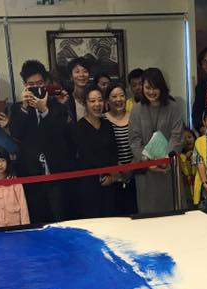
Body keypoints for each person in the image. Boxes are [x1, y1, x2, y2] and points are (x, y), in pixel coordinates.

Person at [9, 59, 71, 225]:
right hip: (30, 173)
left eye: (40, 83)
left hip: (56, 172)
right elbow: (16, 134)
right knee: (36, 219)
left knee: (59, 218)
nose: (36, 87)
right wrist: (24, 106)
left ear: (46, 82)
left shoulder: (57, 106)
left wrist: (44, 110)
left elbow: (59, 133)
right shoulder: (17, 108)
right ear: (24, 85)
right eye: (31, 85)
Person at [129, 68, 184, 214]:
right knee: (148, 214)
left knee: (172, 213)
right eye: (148, 87)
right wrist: (148, 161)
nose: (151, 92)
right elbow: (134, 141)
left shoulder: (173, 107)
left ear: (162, 87)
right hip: (146, 171)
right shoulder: (136, 110)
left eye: (155, 88)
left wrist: (165, 159)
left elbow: (177, 137)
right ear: (142, 87)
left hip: (168, 169)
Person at [68, 88, 119, 220]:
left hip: (109, 183)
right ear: (85, 103)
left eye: (100, 100)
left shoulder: (107, 125)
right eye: (92, 101)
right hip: (87, 185)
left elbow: (113, 152)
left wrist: (112, 176)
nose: (97, 104)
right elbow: (80, 157)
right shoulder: (78, 128)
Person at [104, 83, 137, 215]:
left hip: (134, 173)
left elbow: (139, 143)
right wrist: (117, 168)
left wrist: (131, 167)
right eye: (114, 96)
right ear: (107, 100)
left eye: (121, 95)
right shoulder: (103, 119)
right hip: (113, 176)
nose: (118, 99)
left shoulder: (134, 117)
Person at [0, 146, 30, 229]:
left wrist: (25, 226)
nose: (0, 164)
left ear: (7, 161)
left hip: (16, 225)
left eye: (3, 160)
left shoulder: (15, 181)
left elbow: (23, 205)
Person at [66, 58, 92, 123]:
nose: (81, 75)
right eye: (77, 72)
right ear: (71, 76)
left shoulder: (95, 97)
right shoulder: (67, 100)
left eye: (85, 71)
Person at [179, 128, 198, 208]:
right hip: (187, 189)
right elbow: (184, 172)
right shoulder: (180, 156)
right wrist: (186, 159)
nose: (187, 140)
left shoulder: (199, 152)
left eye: (189, 137)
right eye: (184, 139)